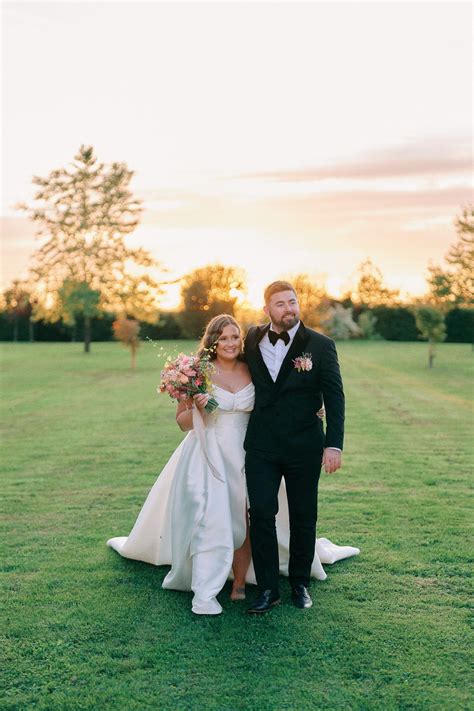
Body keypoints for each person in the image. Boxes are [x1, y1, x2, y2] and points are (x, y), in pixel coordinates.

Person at [108, 312, 358, 616]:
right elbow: (182, 423)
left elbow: (279, 396)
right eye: (222, 338)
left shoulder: (252, 366)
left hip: (250, 450)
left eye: (234, 336)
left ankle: (240, 581)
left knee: (250, 518)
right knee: (211, 516)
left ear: (242, 339)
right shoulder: (196, 373)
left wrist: (311, 413)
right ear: (212, 342)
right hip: (208, 452)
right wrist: (199, 409)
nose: (230, 342)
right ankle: (205, 589)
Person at [244, 280, 347, 613]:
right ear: (266, 310)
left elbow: (334, 396)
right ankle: (267, 587)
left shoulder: (320, 345)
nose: (288, 309)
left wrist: (334, 445)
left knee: (304, 516)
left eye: (292, 302)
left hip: (305, 445)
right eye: (280, 304)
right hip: (261, 445)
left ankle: (299, 583)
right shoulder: (251, 338)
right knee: (260, 513)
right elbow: (220, 353)